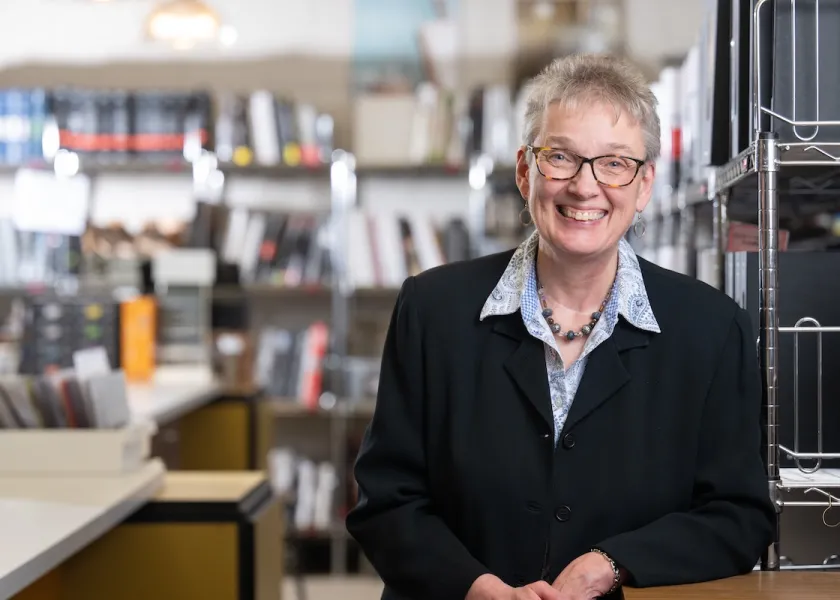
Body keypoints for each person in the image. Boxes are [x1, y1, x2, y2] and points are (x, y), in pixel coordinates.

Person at [346, 53, 775, 600]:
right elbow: (386, 500)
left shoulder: (714, 331)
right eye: (561, 158)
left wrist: (612, 564)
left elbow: (738, 518)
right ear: (526, 172)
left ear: (644, 185)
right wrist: (478, 588)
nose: (584, 186)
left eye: (614, 163)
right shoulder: (431, 309)